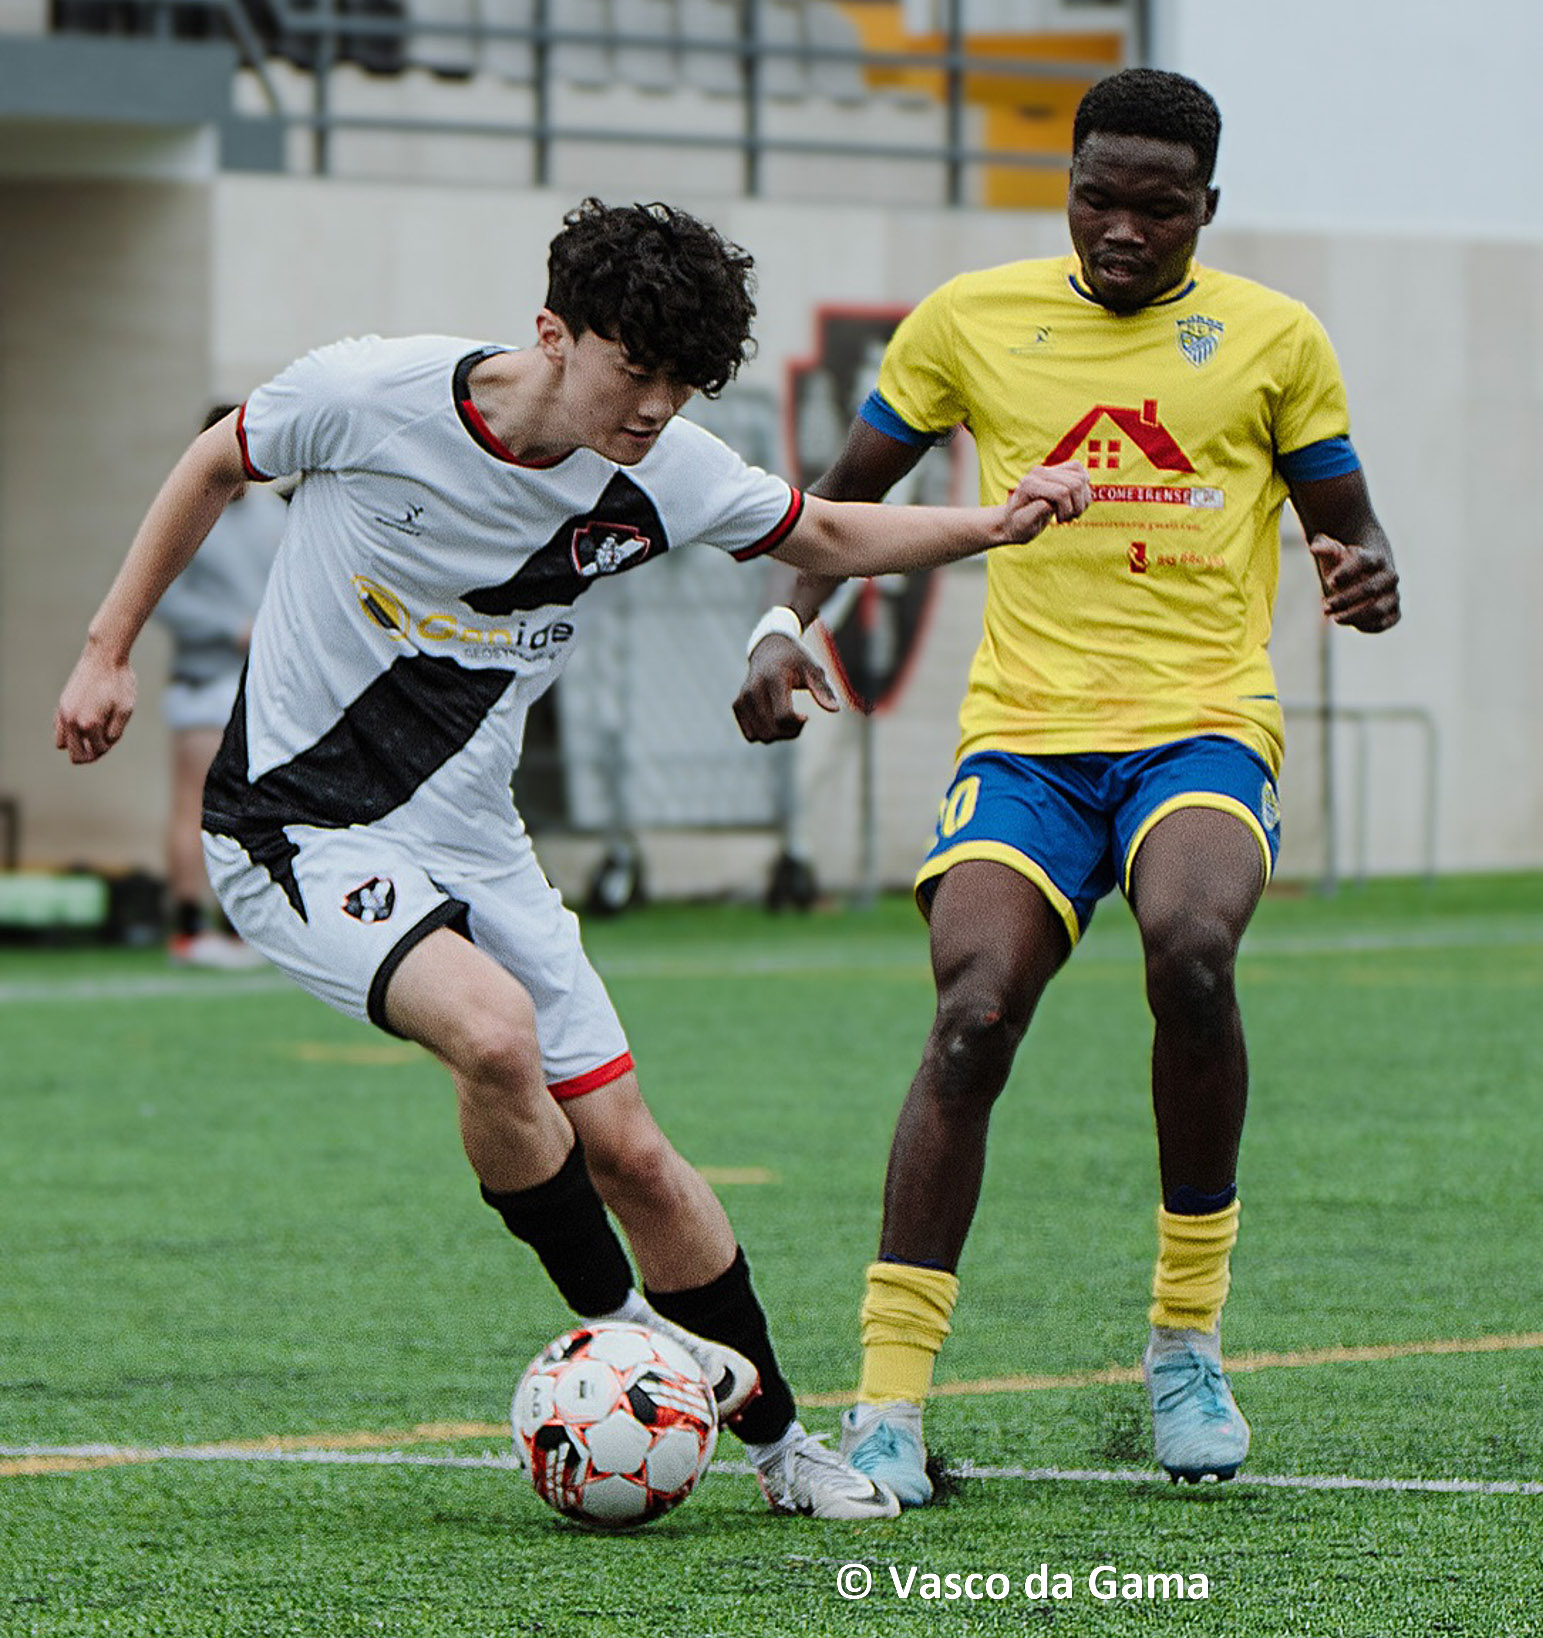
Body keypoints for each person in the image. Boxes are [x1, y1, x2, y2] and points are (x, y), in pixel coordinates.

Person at [54, 198, 1089, 1523]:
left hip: (478, 841)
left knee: (637, 1155)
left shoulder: (666, 471)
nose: (655, 406)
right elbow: (216, 459)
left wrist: (993, 525)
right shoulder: (372, 394)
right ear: (552, 333)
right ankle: (628, 1342)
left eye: (681, 382)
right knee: (491, 1034)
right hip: (294, 825)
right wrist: (105, 647)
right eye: (633, 370)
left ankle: (782, 1449)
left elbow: (824, 533)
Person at [732, 68, 1400, 1505]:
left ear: (1204, 211)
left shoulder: (1276, 340)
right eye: (1098, 195)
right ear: (1071, 185)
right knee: (971, 1015)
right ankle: (892, 1404)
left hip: (1203, 723)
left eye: (1158, 208)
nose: (1121, 229)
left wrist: (1367, 571)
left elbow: (1353, 524)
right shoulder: (970, 318)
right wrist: (787, 625)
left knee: (1195, 952)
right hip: (1026, 738)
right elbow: (843, 504)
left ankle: (1184, 1341)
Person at [153, 404, 287, 968]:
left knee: (250, 809)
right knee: (194, 803)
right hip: (204, 679)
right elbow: (163, 595)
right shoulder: (183, 508)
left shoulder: (274, 516)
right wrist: (231, 629)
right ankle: (188, 926)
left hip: (262, 687)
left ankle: (240, 929)